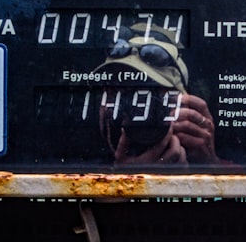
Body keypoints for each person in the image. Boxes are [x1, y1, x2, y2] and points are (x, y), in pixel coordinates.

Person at [92, 24, 226, 167]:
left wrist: (207, 163)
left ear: (184, 107)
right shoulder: (77, 159)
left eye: (149, 102)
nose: (131, 113)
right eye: (118, 94)